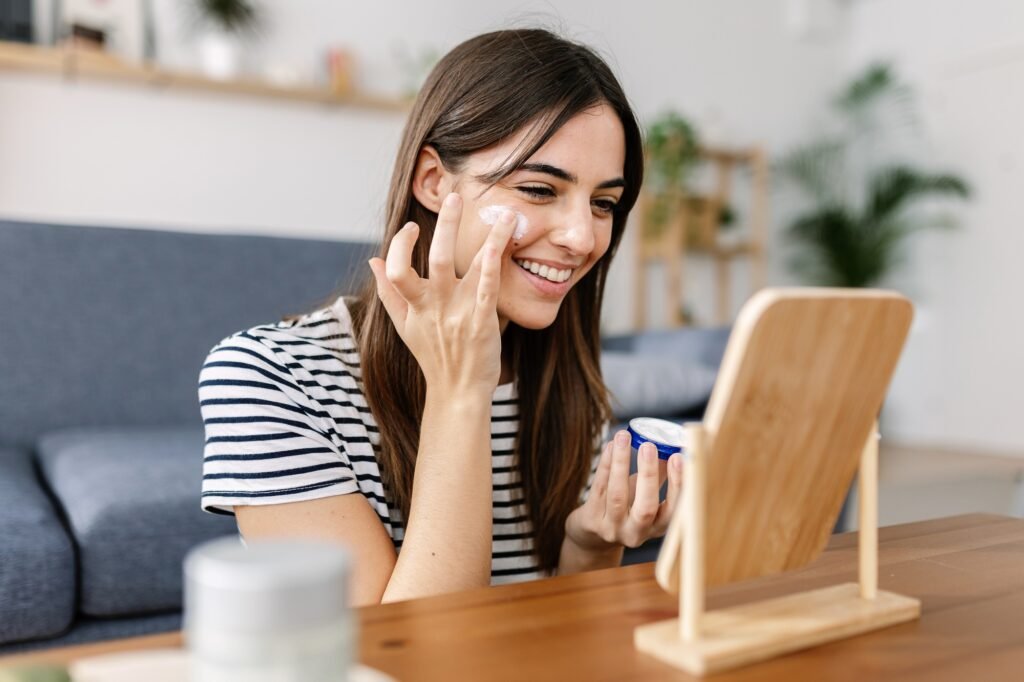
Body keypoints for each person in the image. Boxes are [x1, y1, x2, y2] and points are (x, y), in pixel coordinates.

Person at [198, 28, 683, 607]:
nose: (582, 238)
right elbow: (405, 655)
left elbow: (557, 638)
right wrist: (460, 390)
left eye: (603, 203)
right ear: (432, 181)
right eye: (537, 189)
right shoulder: (269, 377)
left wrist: (589, 541)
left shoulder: (563, 377)